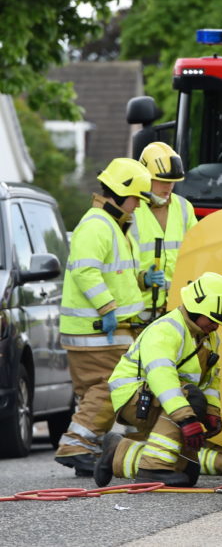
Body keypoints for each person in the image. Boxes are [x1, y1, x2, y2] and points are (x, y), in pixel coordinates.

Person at [54, 158, 160, 476]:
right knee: (111, 385)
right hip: (97, 329)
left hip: (98, 329)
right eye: (137, 199)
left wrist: (142, 281)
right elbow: (86, 273)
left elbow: (112, 275)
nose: (139, 207)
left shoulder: (109, 226)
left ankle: (86, 448)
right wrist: (108, 310)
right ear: (121, 192)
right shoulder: (98, 225)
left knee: (94, 390)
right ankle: (76, 445)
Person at [94, 272, 222, 487]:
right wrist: (187, 419)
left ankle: (117, 453)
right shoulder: (166, 329)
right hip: (134, 396)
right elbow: (163, 379)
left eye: (219, 322)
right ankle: (153, 468)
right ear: (196, 309)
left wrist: (211, 413)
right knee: (191, 397)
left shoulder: (207, 337)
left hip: (167, 398)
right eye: (213, 320)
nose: (216, 326)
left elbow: (211, 381)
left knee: (187, 473)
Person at [130, 142, 198, 320]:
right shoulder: (131, 210)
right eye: (162, 181)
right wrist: (142, 279)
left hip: (177, 308)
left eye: (172, 182)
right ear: (144, 177)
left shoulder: (184, 208)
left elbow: (198, 254)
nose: (168, 187)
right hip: (139, 310)